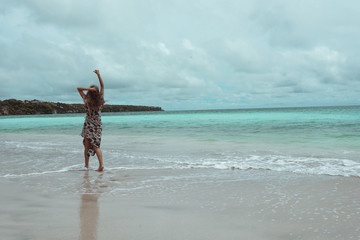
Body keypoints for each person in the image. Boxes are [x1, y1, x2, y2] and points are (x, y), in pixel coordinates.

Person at [77, 70, 105, 171]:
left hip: (88, 125)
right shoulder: (100, 99)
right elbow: (102, 86)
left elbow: (78, 89)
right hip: (98, 125)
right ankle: (101, 165)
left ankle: (86, 166)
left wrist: (89, 89)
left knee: (87, 146)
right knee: (96, 145)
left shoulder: (86, 99)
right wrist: (98, 74)